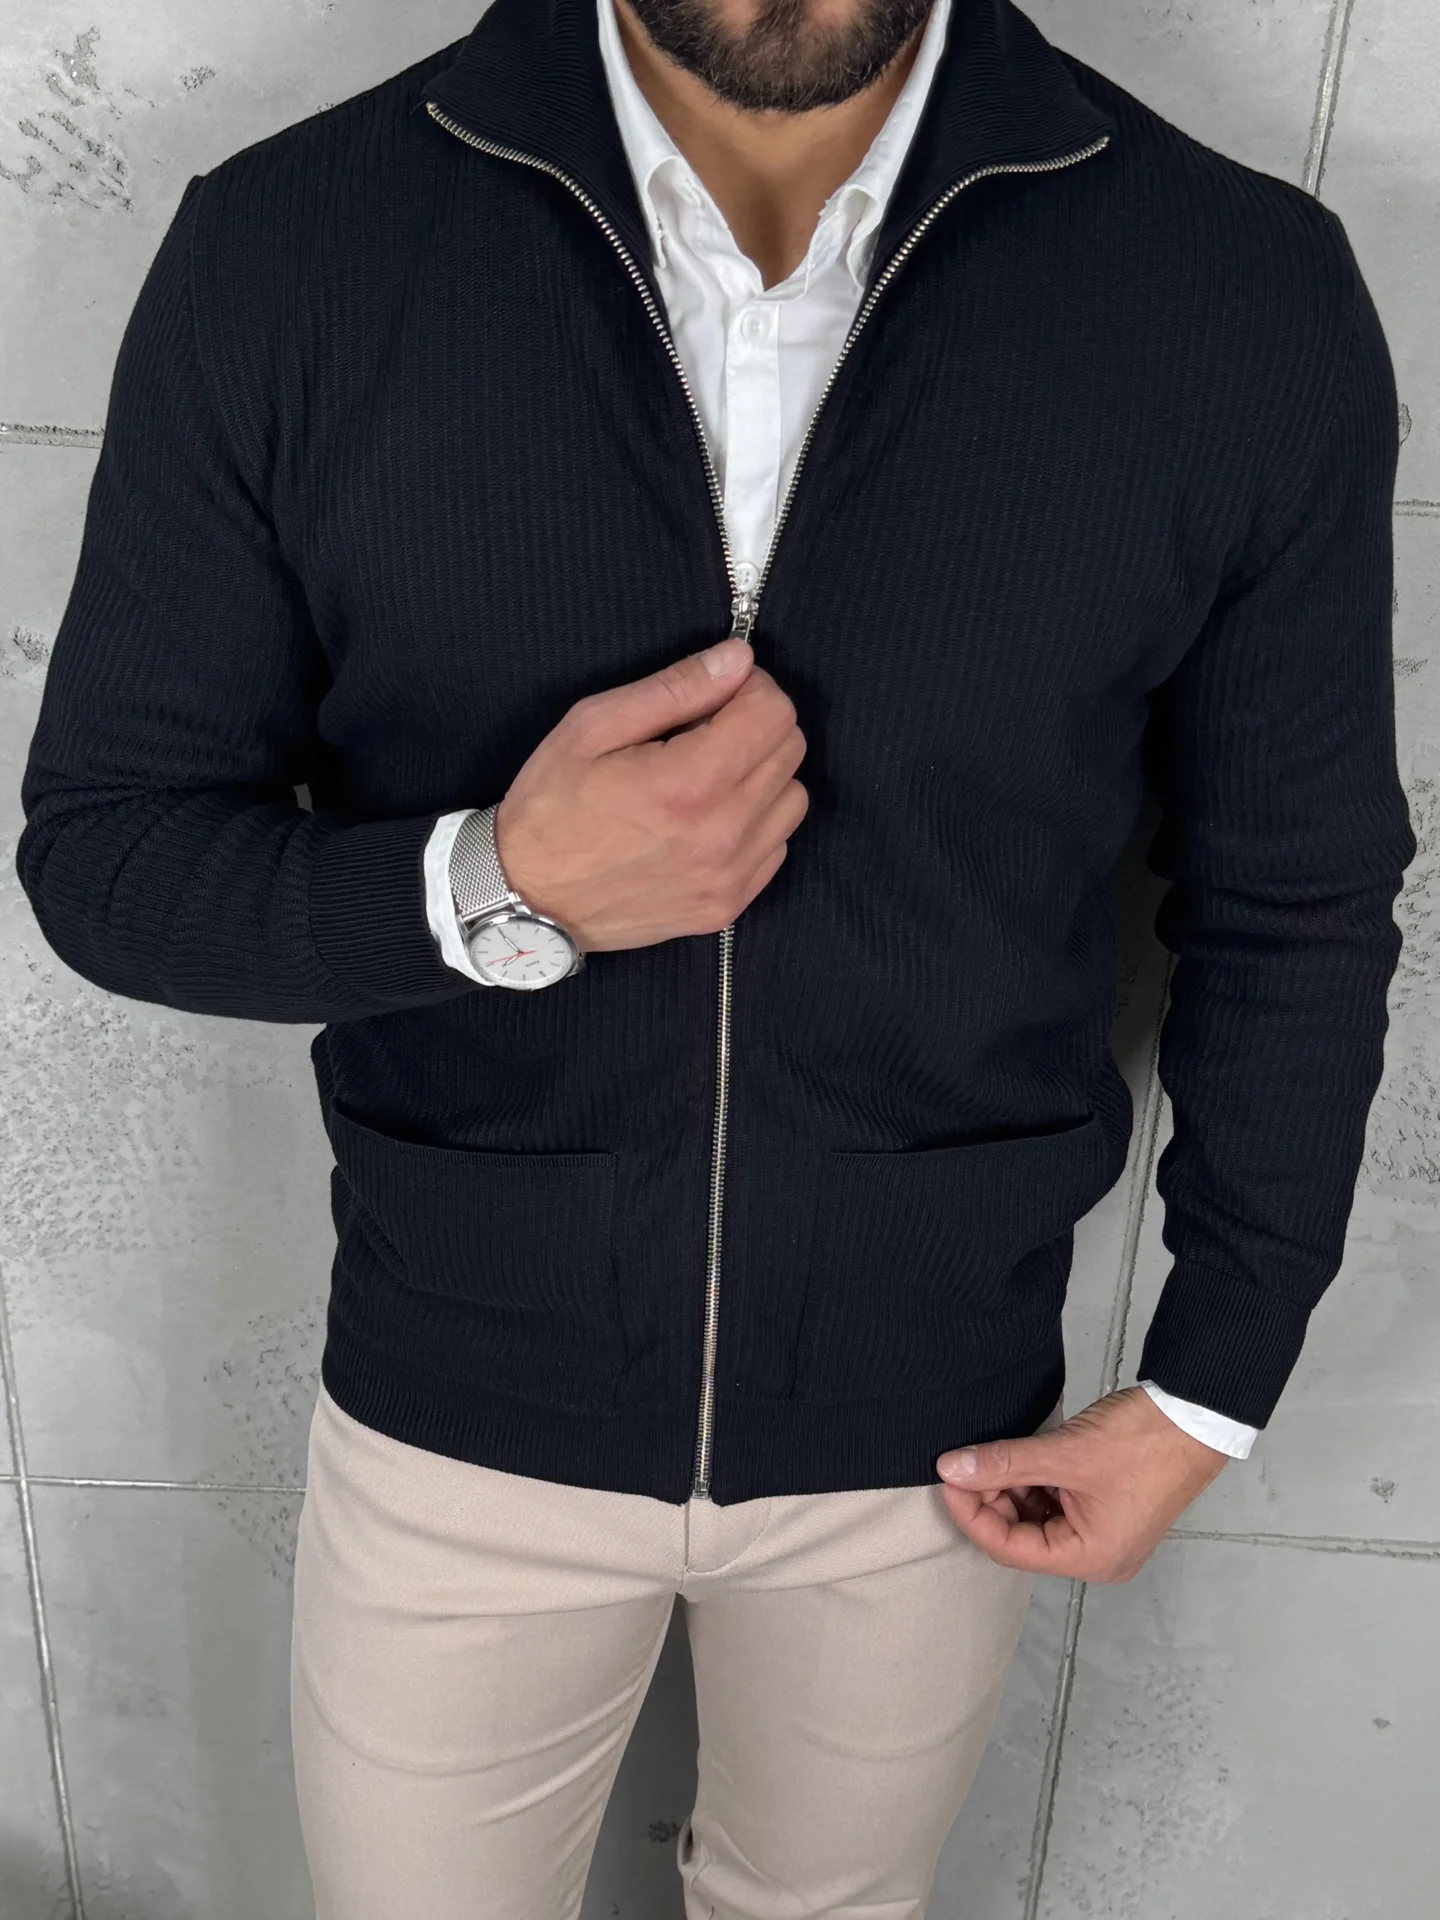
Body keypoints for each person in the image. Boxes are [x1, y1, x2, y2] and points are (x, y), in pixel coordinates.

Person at [14, 0, 1415, 1913]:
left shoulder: (1236, 284)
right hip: (456, 1412)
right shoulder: (293, 244)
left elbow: (1299, 898)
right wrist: (500, 883)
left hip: (937, 1439)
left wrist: (1209, 1385)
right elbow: (110, 857)